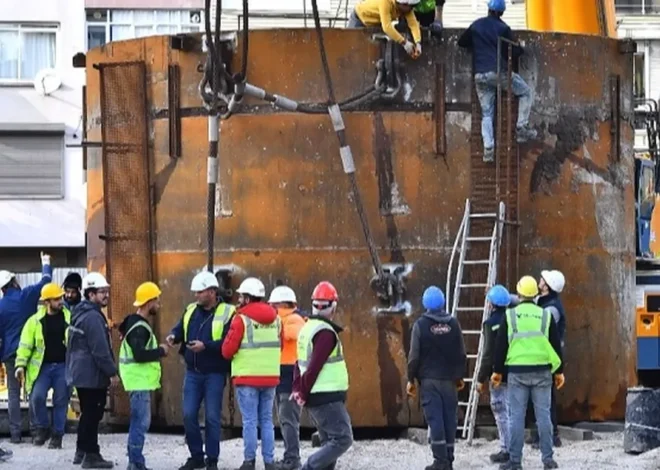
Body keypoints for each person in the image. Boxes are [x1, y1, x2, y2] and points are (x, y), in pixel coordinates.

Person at [492, 276, 565, 470]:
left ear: (519, 293)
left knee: (516, 417)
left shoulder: (510, 316)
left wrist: (498, 371)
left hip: (517, 372)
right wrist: (559, 371)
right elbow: (555, 345)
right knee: (544, 417)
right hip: (542, 371)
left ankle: (515, 462)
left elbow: (501, 346)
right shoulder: (545, 315)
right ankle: (548, 459)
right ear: (535, 294)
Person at [166, 271, 236, 470]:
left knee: (213, 417)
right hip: (193, 373)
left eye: (200, 292)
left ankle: (211, 459)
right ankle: (196, 456)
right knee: (188, 415)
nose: (196, 295)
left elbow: (229, 342)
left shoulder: (228, 312)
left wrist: (205, 346)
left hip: (214, 373)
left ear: (212, 292)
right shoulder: (191, 310)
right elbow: (180, 328)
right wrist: (173, 336)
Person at [457, 0, 536, 163]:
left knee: (487, 113)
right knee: (525, 92)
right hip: (498, 73)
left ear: (488, 9)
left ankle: (488, 149)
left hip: (479, 75)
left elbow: (461, 42)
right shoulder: (503, 28)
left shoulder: (476, 25)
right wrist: (521, 47)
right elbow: (514, 52)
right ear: (501, 12)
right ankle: (521, 127)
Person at [292, 281, 353, 470]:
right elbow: (314, 366)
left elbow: (298, 363)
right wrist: (302, 391)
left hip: (316, 397)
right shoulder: (325, 333)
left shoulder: (307, 328)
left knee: (329, 443)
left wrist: (297, 388)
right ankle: (309, 467)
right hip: (326, 396)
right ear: (333, 306)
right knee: (343, 439)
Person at [222, 278, 281, 470]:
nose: (238, 299)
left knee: (249, 421)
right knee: (267, 420)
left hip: (247, 377)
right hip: (270, 377)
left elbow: (227, 351)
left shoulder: (240, 319)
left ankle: (249, 461)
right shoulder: (277, 319)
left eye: (241, 296)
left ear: (247, 298)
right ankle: (269, 462)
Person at [406, 286, 466, 470]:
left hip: (429, 380)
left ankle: (440, 462)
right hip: (449, 380)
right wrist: (459, 376)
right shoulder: (453, 323)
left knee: (435, 419)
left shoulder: (420, 325)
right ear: (443, 302)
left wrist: (411, 378)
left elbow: (414, 356)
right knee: (449, 418)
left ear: (425, 303)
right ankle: (449, 458)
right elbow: (461, 353)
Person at [66, 272, 118, 468]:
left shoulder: (81, 313)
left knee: (87, 413)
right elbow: (100, 350)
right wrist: (111, 372)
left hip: (81, 373)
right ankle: (91, 455)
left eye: (106, 291)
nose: (106, 295)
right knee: (93, 414)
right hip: (91, 375)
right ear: (90, 294)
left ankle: (81, 451)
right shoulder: (93, 318)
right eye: (101, 292)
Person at [0, 251, 53, 444]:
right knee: (32, 390)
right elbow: (46, 282)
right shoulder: (26, 295)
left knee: (13, 394)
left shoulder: (0, 306)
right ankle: (35, 431)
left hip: (10, 355)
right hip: (31, 353)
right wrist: (45, 261)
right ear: (13, 282)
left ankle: (15, 435)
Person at [118, 282, 169, 470]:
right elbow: (139, 355)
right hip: (138, 381)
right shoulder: (140, 328)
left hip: (137, 381)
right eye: (156, 300)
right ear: (149, 302)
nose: (159, 304)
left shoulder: (133, 323)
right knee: (141, 423)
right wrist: (161, 351)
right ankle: (136, 463)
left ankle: (135, 461)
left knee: (139, 422)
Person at [15, 283, 71, 449]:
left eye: (61, 298)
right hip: (42, 368)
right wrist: (20, 365)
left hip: (62, 367)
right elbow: (25, 345)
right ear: (47, 302)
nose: (61, 301)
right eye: (57, 299)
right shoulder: (34, 322)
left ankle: (57, 436)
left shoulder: (69, 318)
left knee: (61, 401)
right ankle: (43, 428)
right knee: (37, 397)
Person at [268, 286, 305, 470]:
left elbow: (299, 334)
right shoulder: (280, 320)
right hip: (281, 375)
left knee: (288, 419)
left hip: (290, 375)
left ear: (281, 304)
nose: (270, 307)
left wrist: (277, 328)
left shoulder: (294, 319)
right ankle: (291, 457)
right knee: (284, 419)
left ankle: (292, 459)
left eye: (273, 304)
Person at [476, 285, 512, 464]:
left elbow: (488, 353)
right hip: (514, 371)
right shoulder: (513, 319)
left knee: (500, 411)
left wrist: (480, 378)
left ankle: (506, 449)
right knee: (512, 411)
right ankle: (512, 447)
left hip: (497, 374)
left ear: (491, 304)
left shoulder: (490, 324)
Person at [531, 270, 567, 448]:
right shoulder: (543, 301)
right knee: (542, 398)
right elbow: (526, 300)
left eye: (542, 279)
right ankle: (541, 435)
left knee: (547, 400)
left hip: (549, 358)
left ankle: (552, 436)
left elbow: (540, 328)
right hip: (544, 356)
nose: (540, 279)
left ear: (547, 285)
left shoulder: (552, 309)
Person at [348, 0, 423, 60]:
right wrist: (404, 42)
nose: (411, 9)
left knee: (373, 52)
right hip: (360, 18)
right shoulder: (385, 2)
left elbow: (413, 24)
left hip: (376, 22)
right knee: (352, 47)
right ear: (404, 4)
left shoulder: (406, 10)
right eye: (410, 7)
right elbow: (387, 27)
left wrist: (418, 42)